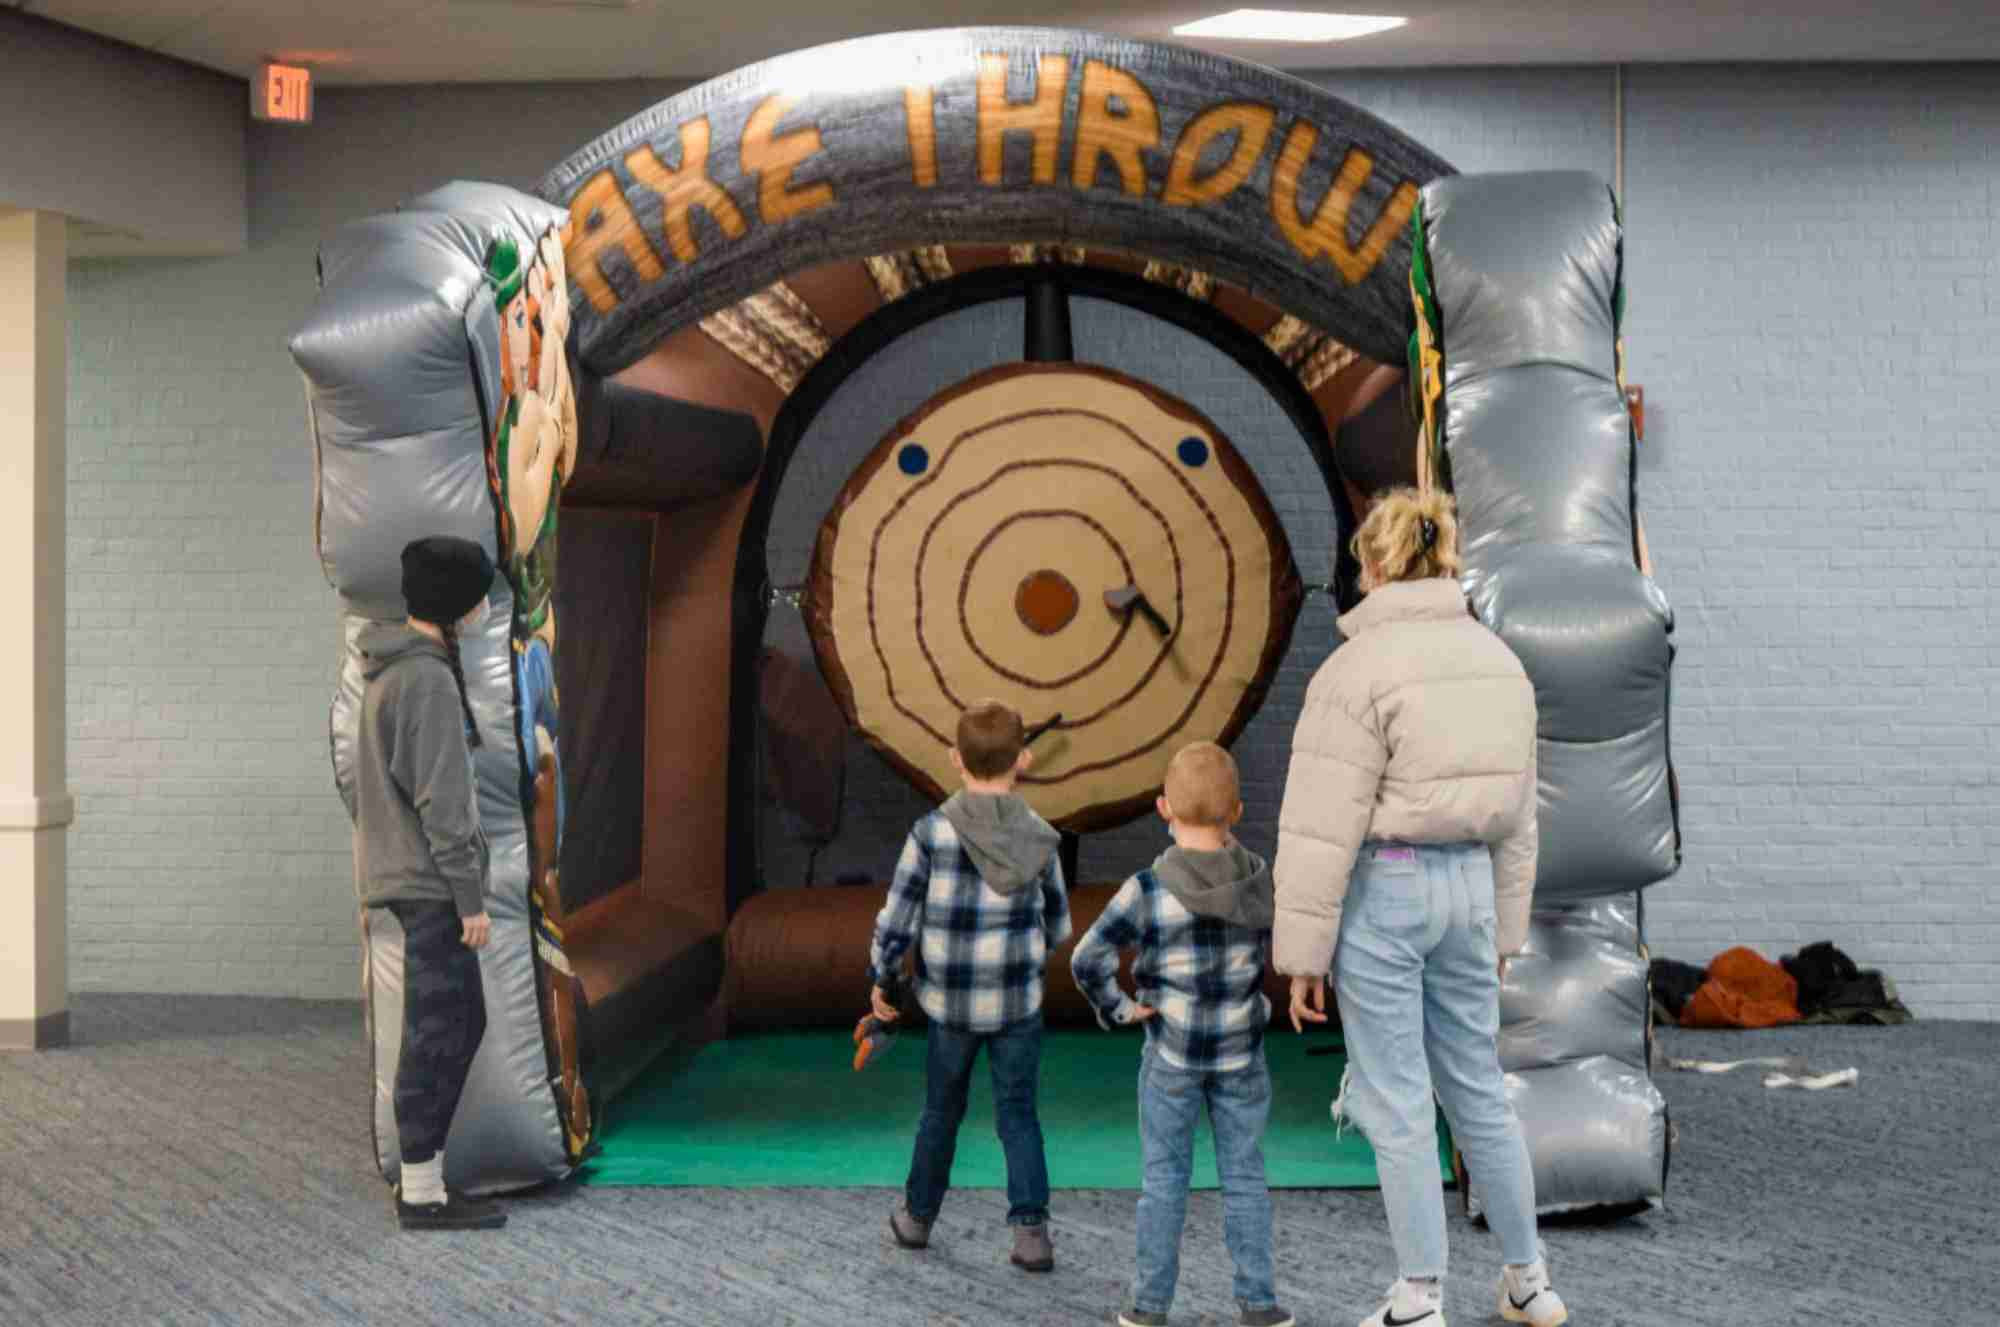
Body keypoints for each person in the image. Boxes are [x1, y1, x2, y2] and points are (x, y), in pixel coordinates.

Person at [1273, 490, 1567, 1327]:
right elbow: (1519, 816)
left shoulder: (1354, 670)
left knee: (1396, 1096)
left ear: (1368, 567)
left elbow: (1321, 822)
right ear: (1447, 562)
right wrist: (1507, 926)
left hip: (1387, 890)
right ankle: (1529, 1281)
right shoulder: (1500, 661)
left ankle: (1418, 1299)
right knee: (1479, 1086)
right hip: (1471, 885)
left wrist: (1303, 953)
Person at [1072, 742, 1294, 1327]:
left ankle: (1149, 1308)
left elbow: (1086, 958)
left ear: (1163, 807)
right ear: (1239, 812)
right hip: (1242, 1055)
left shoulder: (1145, 890)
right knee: (1245, 1175)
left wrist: (1118, 1008)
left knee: (1164, 1180)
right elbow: (1283, 952)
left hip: (1169, 1056)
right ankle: (1259, 1304)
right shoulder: (1260, 883)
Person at [866, 700, 1071, 1271]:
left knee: (940, 1112)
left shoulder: (930, 835)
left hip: (949, 1009)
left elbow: (896, 921)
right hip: (1017, 1008)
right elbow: (1057, 926)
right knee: (1019, 1116)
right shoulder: (1043, 840)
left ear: (956, 759)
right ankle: (1031, 1234)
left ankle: (916, 1219)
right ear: (1023, 760)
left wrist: (883, 980)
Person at [354, 535, 504, 1231]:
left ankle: (427, 1180)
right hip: (433, 885)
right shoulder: (428, 681)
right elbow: (443, 803)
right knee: (440, 1029)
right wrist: (469, 897)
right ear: (453, 607)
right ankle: (421, 1193)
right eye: (475, 599)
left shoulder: (394, 670)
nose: (480, 612)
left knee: (456, 1021)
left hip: (417, 879)